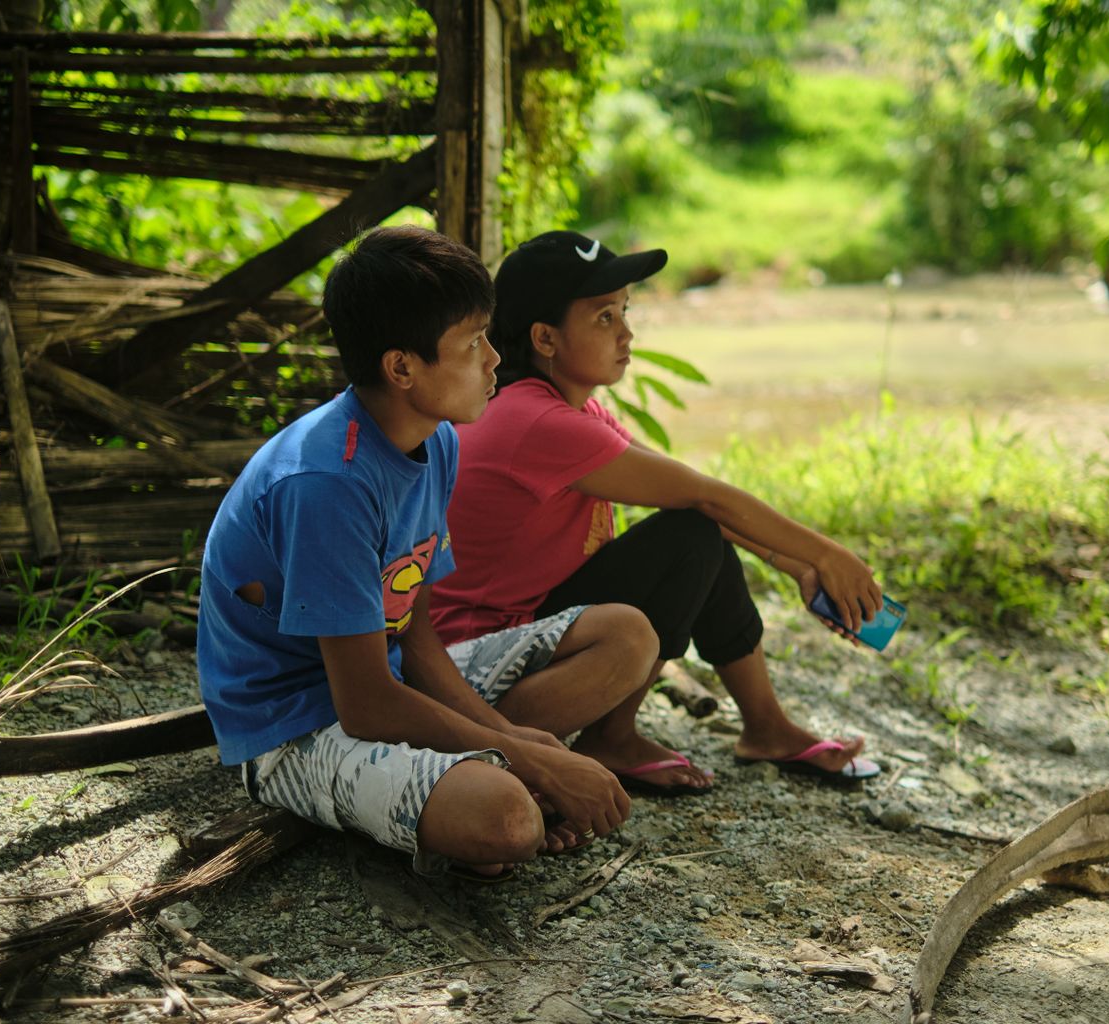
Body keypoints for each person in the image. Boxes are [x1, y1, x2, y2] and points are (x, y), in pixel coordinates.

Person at [197, 226, 661, 883]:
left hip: (385, 679)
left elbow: (414, 637)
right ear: (403, 368)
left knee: (626, 634)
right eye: (472, 344)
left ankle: (477, 772)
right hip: (296, 726)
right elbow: (362, 705)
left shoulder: (436, 440)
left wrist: (509, 737)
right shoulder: (327, 483)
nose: (495, 360)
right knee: (506, 820)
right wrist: (528, 761)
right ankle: (482, 783)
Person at [428, 230, 884, 794]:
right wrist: (826, 553)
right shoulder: (537, 421)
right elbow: (704, 497)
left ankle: (767, 728)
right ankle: (612, 737)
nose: (626, 331)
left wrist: (795, 565)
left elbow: (695, 492)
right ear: (545, 337)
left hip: (528, 634)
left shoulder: (570, 408)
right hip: (474, 670)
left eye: (625, 310)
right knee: (690, 533)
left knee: (699, 533)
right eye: (603, 318)